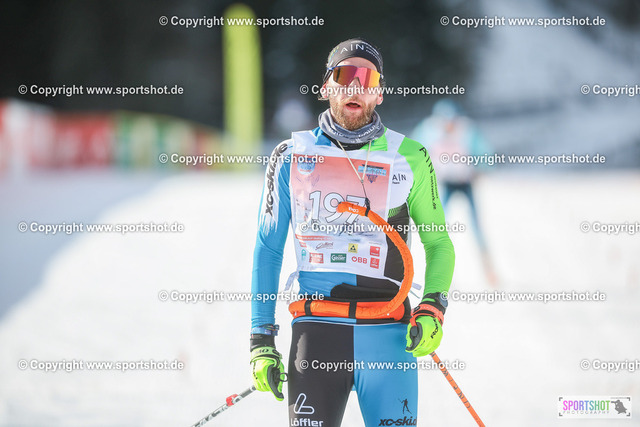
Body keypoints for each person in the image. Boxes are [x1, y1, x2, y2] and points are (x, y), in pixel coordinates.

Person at [249, 38, 455, 427]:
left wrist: (433, 307)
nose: (355, 87)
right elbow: (268, 249)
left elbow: (439, 243)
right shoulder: (290, 155)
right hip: (317, 335)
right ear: (326, 86)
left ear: (379, 93)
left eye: (368, 78)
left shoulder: (409, 156)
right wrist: (261, 339)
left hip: (389, 335)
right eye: (345, 75)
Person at [412, 100, 497, 286]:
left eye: (452, 121)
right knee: (439, 226)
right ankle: (437, 270)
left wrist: (481, 168)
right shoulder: (429, 130)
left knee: (476, 225)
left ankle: (488, 270)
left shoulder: (467, 130)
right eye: (445, 121)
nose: (448, 125)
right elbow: (414, 151)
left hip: (465, 182)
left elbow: (484, 152)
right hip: (445, 184)